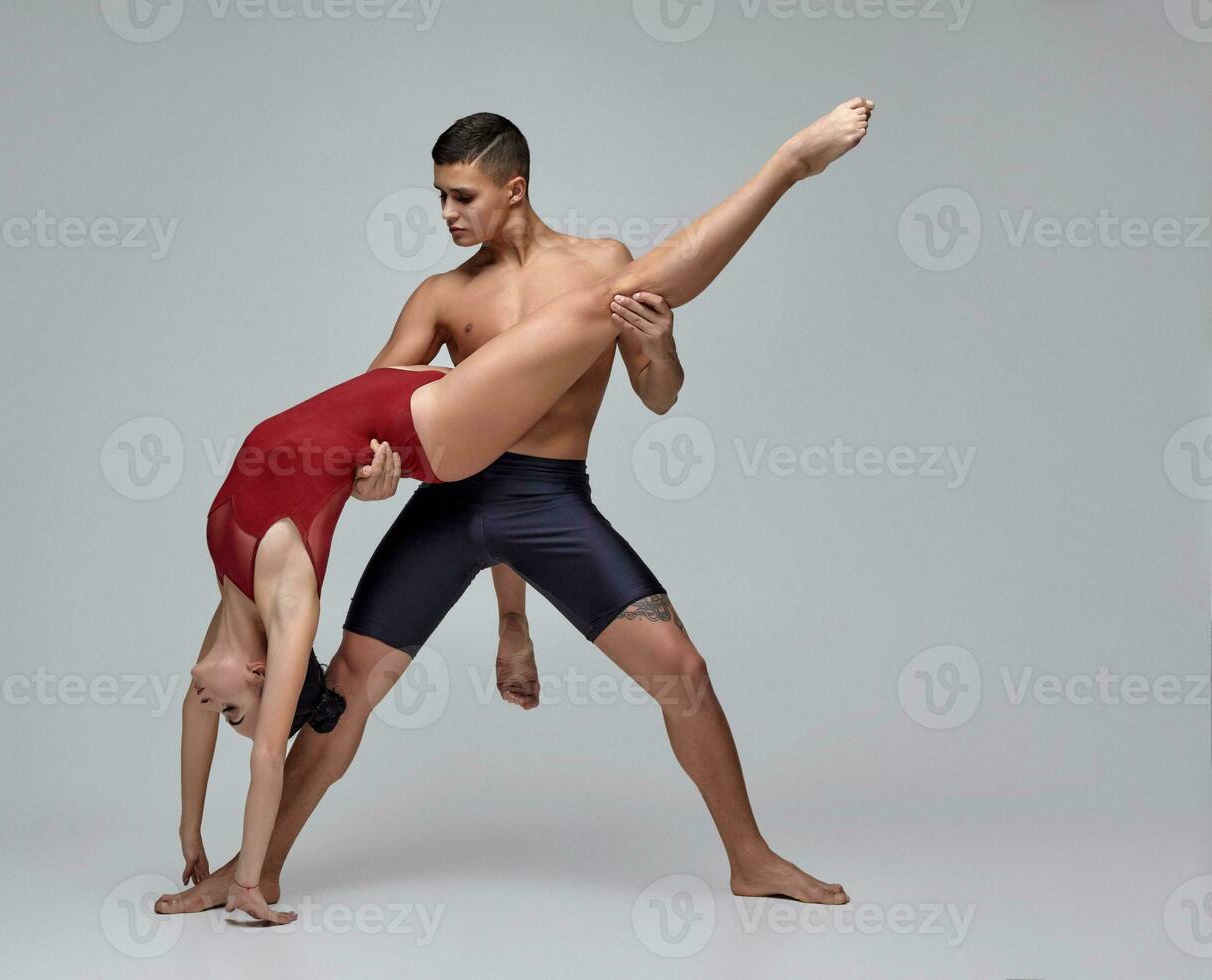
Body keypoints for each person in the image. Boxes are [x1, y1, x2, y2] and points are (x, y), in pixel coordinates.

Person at [158, 98, 874, 923]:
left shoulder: (600, 265)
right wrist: (375, 482)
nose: (446, 215)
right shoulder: (440, 296)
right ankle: (260, 869)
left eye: (461, 197)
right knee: (348, 686)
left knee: (682, 674)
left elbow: (659, 396)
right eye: (439, 197)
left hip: (549, 502)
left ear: (514, 189)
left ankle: (750, 859)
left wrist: (662, 342)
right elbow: (369, 414)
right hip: (450, 504)